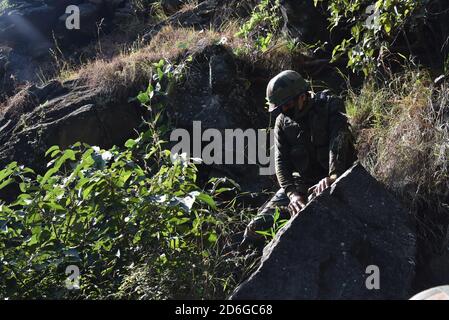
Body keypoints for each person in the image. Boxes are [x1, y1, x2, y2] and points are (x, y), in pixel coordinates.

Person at [240, 70, 357, 250]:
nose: (283, 111)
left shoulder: (330, 105)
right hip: (302, 183)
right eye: (279, 108)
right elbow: (281, 162)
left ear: (302, 96)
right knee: (255, 228)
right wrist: (292, 194)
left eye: (286, 105)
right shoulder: (282, 122)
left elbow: (338, 140)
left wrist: (334, 176)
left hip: (338, 177)